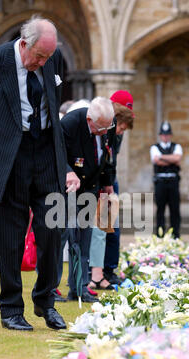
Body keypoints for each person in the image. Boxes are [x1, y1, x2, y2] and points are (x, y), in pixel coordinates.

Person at [0, 15, 80, 331]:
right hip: (8, 156)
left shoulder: (51, 58)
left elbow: (53, 107)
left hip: (45, 152)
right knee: (9, 237)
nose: (43, 62)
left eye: (48, 57)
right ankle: (11, 309)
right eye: (39, 56)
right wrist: (1, 137)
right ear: (24, 43)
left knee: (52, 231)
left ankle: (46, 303)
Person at [60, 97, 115, 302]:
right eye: (100, 128)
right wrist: (67, 172)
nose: (104, 132)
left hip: (90, 187)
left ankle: (79, 288)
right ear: (90, 119)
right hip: (67, 187)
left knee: (83, 240)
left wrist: (107, 182)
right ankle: (50, 290)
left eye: (106, 127)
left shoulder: (107, 123)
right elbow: (57, 154)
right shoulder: (70, 124)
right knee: (62, 237)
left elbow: (107, 155)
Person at [89, 92, 134, 290]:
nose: (122, 130)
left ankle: (108, 270)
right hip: (99, 182)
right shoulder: (105, 127)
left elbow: (112, 159)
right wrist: (105, 184)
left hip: (109, 180)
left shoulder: (117, 132)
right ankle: (96, 273)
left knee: (112, 229)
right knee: (99, 229)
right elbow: (105, 158)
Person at [150, 120, 183, 239]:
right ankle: (160, 235)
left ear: (170, 135)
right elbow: (156, 160)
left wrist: (162, 157)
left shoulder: (176, 146)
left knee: (175, 209)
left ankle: (175, 235)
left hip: (173, 181)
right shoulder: (154, 147)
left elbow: (178, 159)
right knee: (160, 209)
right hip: (161, 182)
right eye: (163, 134)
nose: (165, 136)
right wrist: (171, 159)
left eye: (168, 134)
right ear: (160, 135)